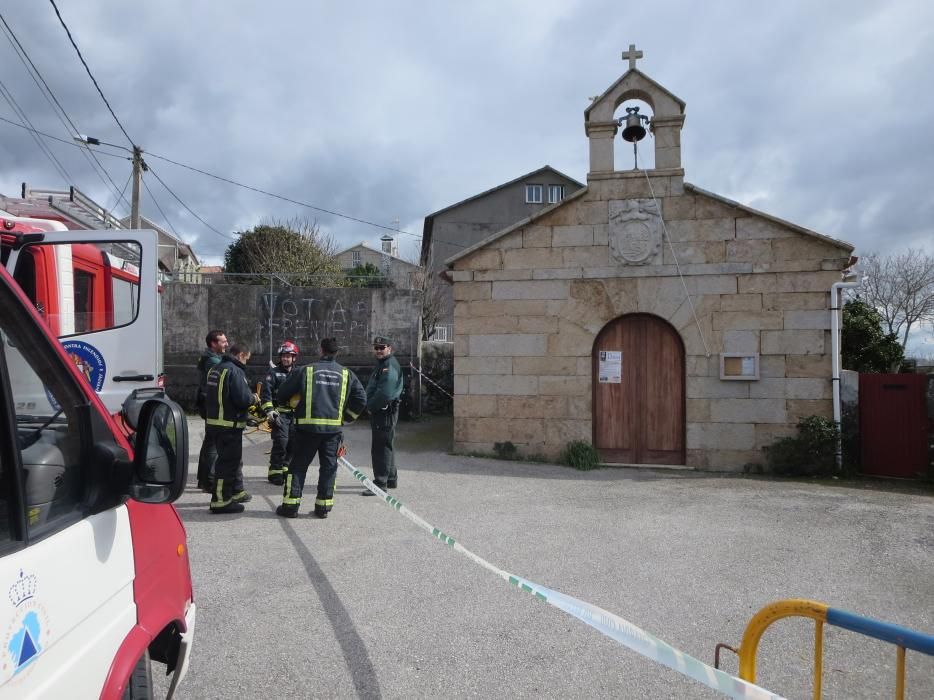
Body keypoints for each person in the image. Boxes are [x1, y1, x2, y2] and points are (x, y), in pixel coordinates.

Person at [275, 337, 366, 519]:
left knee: (298, 467)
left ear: (320, 350)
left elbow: (282, 393)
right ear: (336, 353)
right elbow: (361, 399)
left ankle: (290, 507)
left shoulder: (305, 371)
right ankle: (323, 508)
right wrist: (346, 417)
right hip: (332, 432)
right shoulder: (346, 374)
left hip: (306, 430)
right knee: (329, 468)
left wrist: (292, 404)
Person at [204, 342, 258, 514]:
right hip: (229, 425)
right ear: (241, 354)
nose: (246, 362)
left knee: (232, 461)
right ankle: (220, 501)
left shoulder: (216, 369)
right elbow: (242, 399)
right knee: (227, 464)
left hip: (215, 423)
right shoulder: (235, 371)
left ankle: (235, 491)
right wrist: (254, 398)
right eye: (246, 359)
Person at [361, 335, 404, 495]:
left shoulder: (388, 366)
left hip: (384, 411)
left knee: (380, 448)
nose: (378, 350)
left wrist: (371, 407)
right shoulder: (383, 364)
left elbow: (385, 393)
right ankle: (391, 478)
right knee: (387, 444)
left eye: (382, 347)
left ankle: (380, 483)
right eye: (376, 347)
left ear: (389, 348)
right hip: (384, 411)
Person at [261, 340, 299, 485]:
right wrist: (270, 412)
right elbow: (266, 395)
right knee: (281, 443)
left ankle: (285, 467)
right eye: (283, 356)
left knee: (294, 444)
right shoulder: (273, 373)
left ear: (294, 358)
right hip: (279, 415)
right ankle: (275, 472)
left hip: (295, 416)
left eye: (288, 356)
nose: (285, 358)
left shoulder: (298, 373)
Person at [196, 329, 227, 493]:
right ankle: (208, 481)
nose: (226, 344)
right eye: (223, 341)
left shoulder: (209, 357)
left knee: (209, 442)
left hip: (207, 403)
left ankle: (203, 479)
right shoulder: (213, 361)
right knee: (213, 444)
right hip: (212, 405)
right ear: (213, 344)